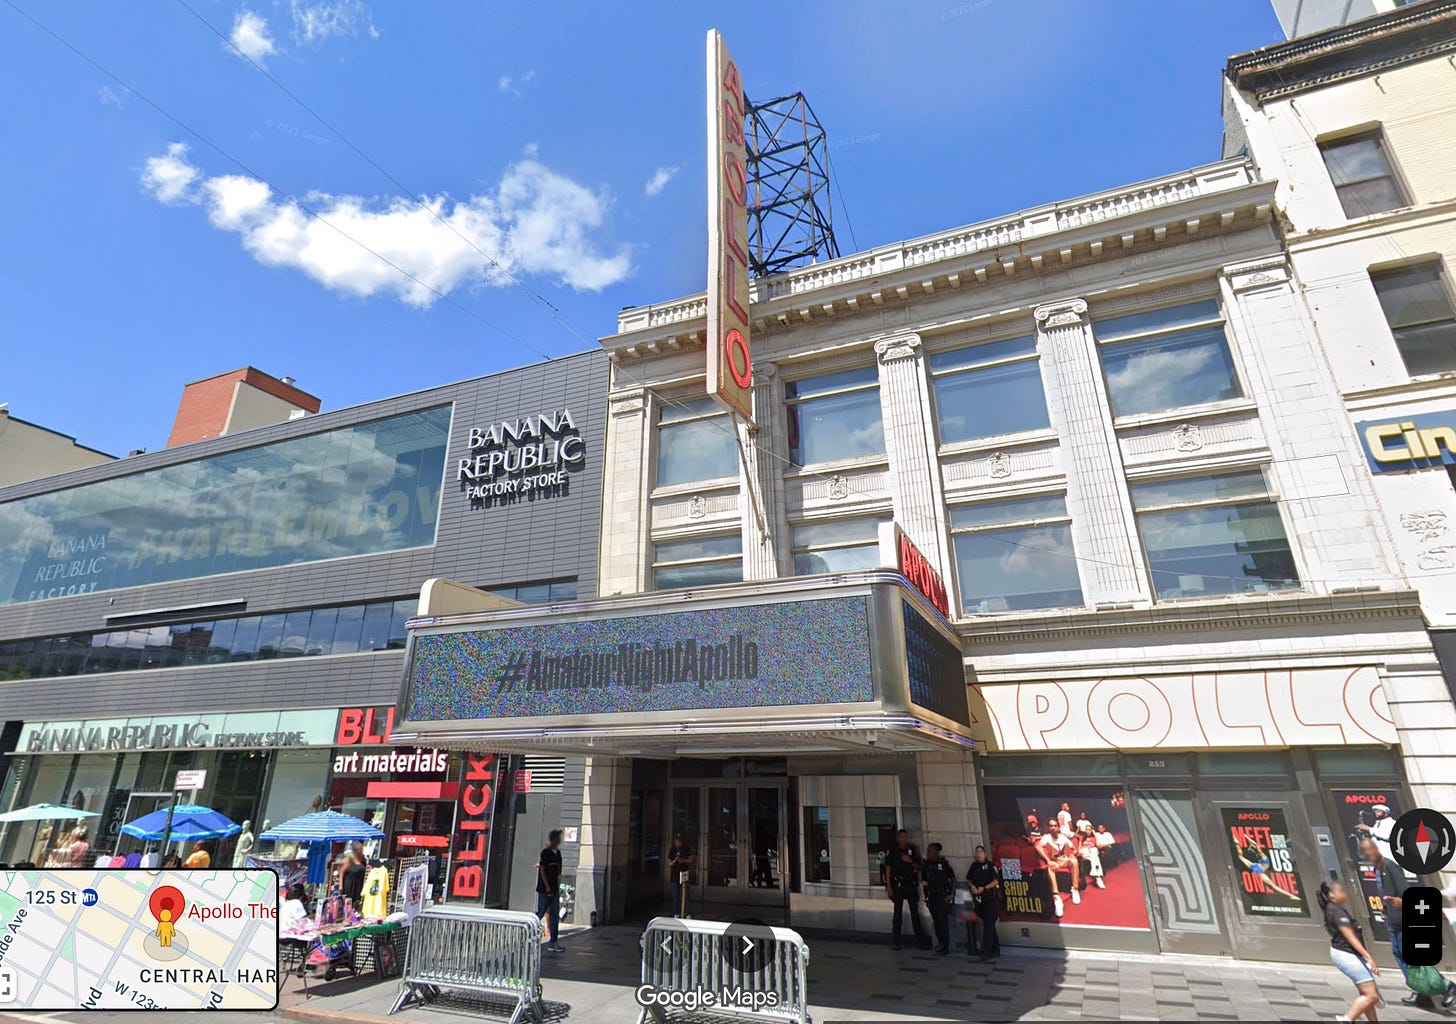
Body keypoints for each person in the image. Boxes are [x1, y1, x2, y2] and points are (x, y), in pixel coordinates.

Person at [1361, 837, 1456, 1009]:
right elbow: (1385, 894)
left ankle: (1447, 987)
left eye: (1370, 849)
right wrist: (1385, 910)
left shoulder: (1390, 866)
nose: (1368, 854)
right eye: (1365, 851)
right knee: (1402, 958)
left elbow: (1406, 892)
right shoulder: (1378, 869)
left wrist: (1402, 902)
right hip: (1393, 921)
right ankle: (1421, 992)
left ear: (1376, 848)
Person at [1320, 880, 1381, 1023]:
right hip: (1347, 955)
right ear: (1332, 895)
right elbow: (1350, 936)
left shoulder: (1333, 908)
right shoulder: (1336, 911)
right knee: (1371, 995)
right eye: (1341, 891)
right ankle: (1347, 1019)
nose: (1345, 894)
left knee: (1366, 994)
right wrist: (1368, 957)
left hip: (1346, 954)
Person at [881, 829, 930, 951]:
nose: (903, 838)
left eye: (905, 836)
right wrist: (888, 885)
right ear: (898, 838)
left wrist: (911, 861)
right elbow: (888, 868)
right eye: (901, 836)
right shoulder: (893, 851)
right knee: (897, 914)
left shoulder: (912, 849)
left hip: (911, 884)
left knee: (915, 913)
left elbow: (920, 866)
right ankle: (896, 941)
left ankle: (920, 940)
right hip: (898, 884)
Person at [1034, 821, 1082, 917]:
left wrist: (1073, 854)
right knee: (1050, 868)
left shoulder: (1063, 837)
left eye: (1055, 826)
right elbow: (1038, 847)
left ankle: (1075, 889)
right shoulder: (1047, 837)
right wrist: (1048, 860)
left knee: (1074, 861)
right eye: (1051, 826)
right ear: (1049, 828)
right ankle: (1056, 897)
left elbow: (1074, 849)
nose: (1053, 828)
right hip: (1054, 862)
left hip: (1064, 860)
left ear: (1058, 827)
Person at [922, 842, 957, 956]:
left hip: (942, 895)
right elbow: (923, 881)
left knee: (943, 921)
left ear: (935, 852)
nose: (928, 853)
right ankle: (940, 943)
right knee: (936, 921)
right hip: (932, 895)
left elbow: (952, 878)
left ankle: (945, 946)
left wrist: (952, 894)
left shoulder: (943, 864)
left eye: (930, 851)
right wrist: (926, 897)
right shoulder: (926, 865)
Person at [967, 846, 1002, 959]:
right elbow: (969, 878)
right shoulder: (974, 866)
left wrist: (985, 888)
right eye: (977, 852)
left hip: (991, 899)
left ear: (985, 853)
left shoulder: (990, 866)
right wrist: (972, 886)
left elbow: (996, 880)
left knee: (988, 925)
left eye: (980, 852)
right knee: (989, 925)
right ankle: (995, 949)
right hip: (980, 901)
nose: (979, 854)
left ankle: (985, 951)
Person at [537, 829, 565, 952]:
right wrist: (547, 886)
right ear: (553, 839)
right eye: (558, 838)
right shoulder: (545, 853)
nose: (560, 841)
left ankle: (553, 942)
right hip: (544, 890)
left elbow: (559, 870)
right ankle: (527, 931)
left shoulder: (557, 853)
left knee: (554, 916)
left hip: (554, 890)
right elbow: (542, 870)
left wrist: (557, 885)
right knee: (540, 913)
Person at [667, 834, 695, 919]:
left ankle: (687, 913)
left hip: (684, 873)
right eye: (676, 840)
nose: (677, 842)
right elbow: (669, 864)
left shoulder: (686, 849)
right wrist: (675, 860)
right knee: (676, 896)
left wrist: (683, 860)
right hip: (675, 875)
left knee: (686, 895)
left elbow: (691, 860)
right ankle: (676, 913)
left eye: (679, 840)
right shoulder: (672, 850)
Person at [339, 841, 367, 906]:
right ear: (356, 851)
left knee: (357, 905)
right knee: (348, 905)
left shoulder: (363, 861)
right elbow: (341, 872)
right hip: (350, 885)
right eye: (360, 850)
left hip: (360, 885)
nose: (361, 851)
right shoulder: (349, 860)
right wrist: (341, 886)